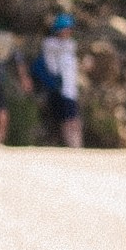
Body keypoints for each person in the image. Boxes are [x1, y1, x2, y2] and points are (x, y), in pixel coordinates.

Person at [33, 10, 85, 148]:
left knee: (75, 121)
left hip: (71, 89)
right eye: (65, 29)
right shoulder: (51, 45)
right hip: (60, 89)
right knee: (68, 121)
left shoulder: (69, 45)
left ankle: (77, 146)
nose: (68, 33)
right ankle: (73, 146)